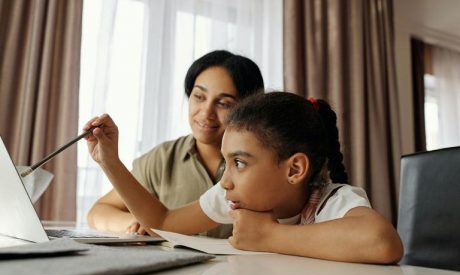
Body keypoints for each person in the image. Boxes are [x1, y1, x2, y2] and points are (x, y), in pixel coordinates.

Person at [84, 91, 403, 263]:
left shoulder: (332, 201)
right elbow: (164, 220)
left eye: (239, 163)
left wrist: (269, 237)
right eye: (226, 163)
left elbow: (382, 242)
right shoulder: (233, 197)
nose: (225, 181)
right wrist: (110, 162)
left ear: (294, 169)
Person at [86, 50, 264, 238]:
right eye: (199, 97)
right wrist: (135, 222)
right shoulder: (162, 159)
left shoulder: (260, 165)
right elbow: (99, 212)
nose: (206, 113)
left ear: (248, 109)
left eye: (224, 103)